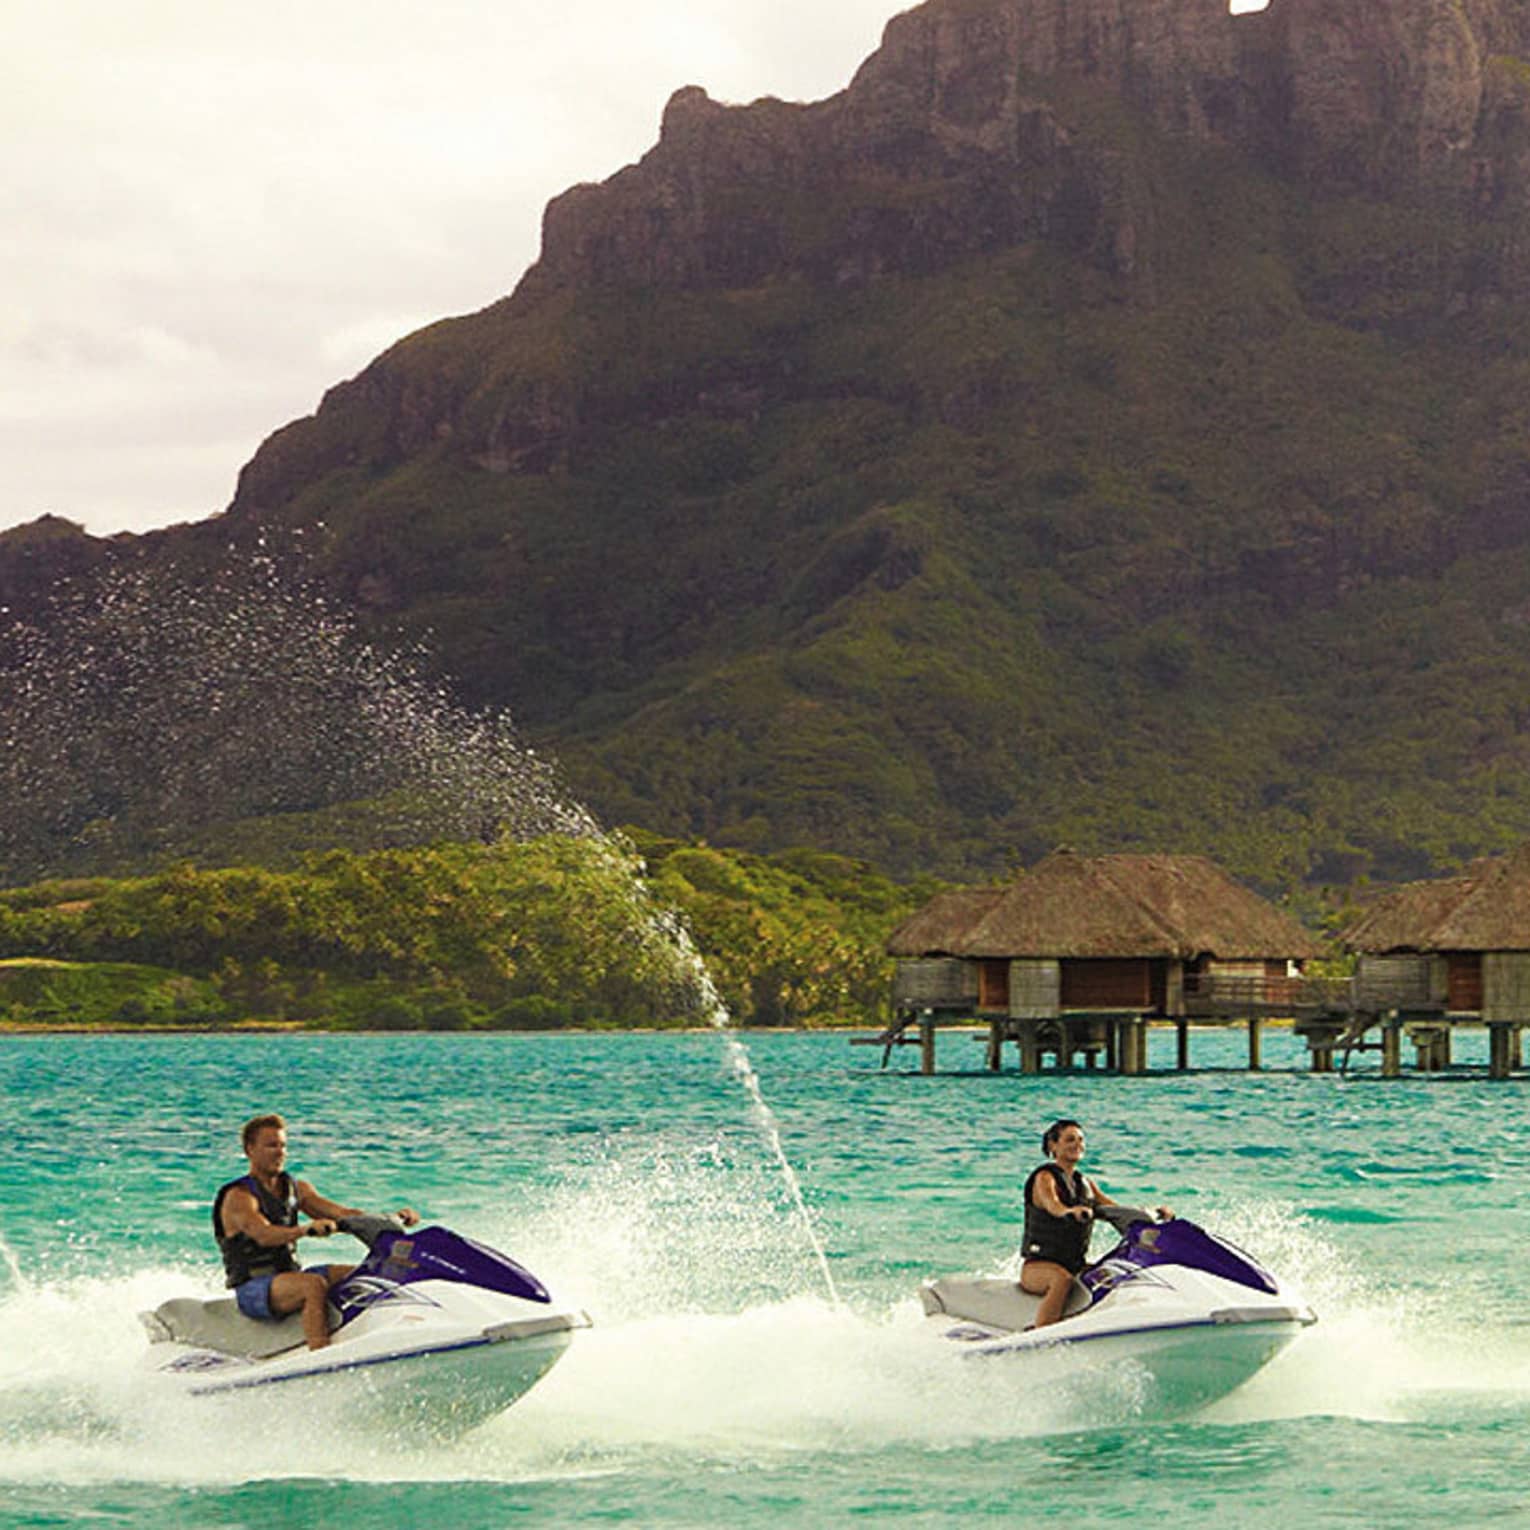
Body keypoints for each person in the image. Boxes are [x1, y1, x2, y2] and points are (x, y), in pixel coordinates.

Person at [213, 1112, 419, 1350]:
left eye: (283, 1146)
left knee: (366, 1274)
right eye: (271, 1146)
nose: (280, 1152)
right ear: (250, 1150)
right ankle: (320, 1352)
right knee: (313, 1285)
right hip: (254, 1288)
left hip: (289, 1277)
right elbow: (263, 1234)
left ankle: (385, 1333)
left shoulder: (295, 1189)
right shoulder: (239, 1196)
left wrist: (391, 1218)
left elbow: (343, 1213)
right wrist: (304, 1230)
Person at [1019, 1118, 1172, 1328]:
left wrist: (1153, 1213)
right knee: (1061, 1280)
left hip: (1075, 1265)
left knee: (1112, 1275)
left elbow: (1115, 1209)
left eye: (1080, 1140)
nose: (1077, 1144)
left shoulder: (1084, 1183)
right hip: (1038, 1267)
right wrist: (1069, 1211)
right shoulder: (1044, 1177)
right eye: (1070, 1140)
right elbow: (1052, 1205)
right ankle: (1041, 1332)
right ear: (1053, 1146)